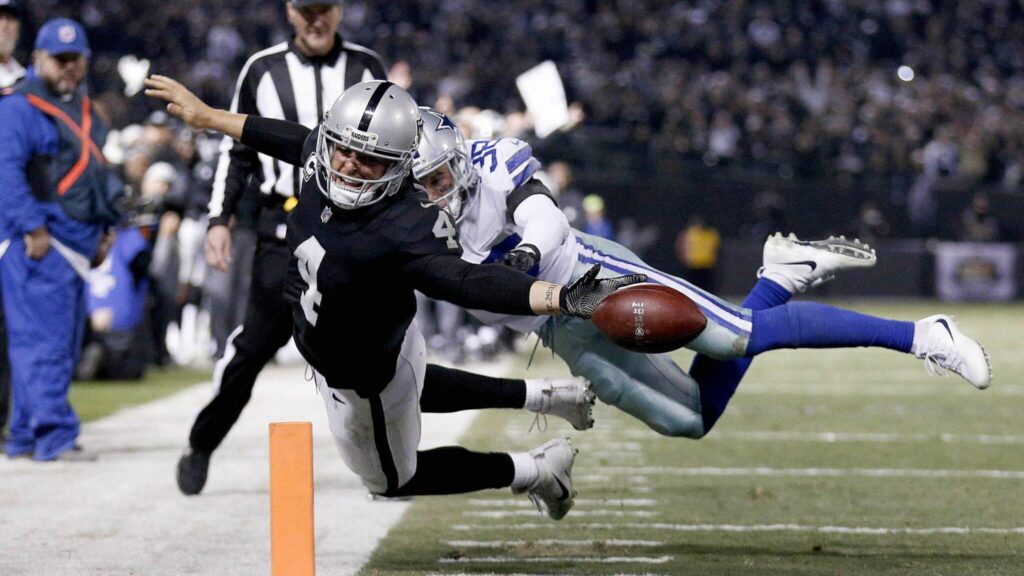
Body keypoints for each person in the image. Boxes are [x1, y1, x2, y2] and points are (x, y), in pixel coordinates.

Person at [145, 76, 643, 519]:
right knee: (416, 388)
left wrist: (563, 297)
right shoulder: (322, 156)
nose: (349, 164)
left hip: (367, 376)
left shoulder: (405, 225)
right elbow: (292, 138)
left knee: (390, 482)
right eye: (343, 149)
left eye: (369, 159)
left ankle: (536, 470)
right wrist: (209, 117)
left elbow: (466, 281)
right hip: (369, 343)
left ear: (399, 165)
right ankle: (546, 397)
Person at [411, 108, 993, 440]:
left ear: (459, 159)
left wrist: (524, 257)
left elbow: (542, 214)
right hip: (554, 327)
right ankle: (779, 280)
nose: (434, 194)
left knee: (736, 336)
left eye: (439, 178)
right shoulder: (407, 224)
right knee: (688, 419)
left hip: (587, 277)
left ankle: (924, 335)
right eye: (421, 185)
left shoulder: (492, 164)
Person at [175, 0, 391, 495]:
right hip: (283, 231)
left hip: (352, 231)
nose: (315, 20)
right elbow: (237, 149)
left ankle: (388, 460)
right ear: (290, 11)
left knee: (371, 349)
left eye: (323, 8)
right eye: (305, 9)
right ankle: (202, 443)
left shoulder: (366, 67)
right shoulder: (262, 68)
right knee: (251, 348)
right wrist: (219, 219)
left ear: (339, 10)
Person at [0, 19, 122, 461]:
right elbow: (6, 173)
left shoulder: (84, 108)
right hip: (42, 243)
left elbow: (98, 176)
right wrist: (32, 227)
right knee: (45, 347)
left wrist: (106, 229)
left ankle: (24, 435)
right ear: (38, 58)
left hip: (74, 243)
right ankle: (54, 435)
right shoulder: (18, 107)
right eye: (60, 58)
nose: (69, 66)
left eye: (76, 59)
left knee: (51, 345)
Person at [0, 0, 24, 443]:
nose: (3, 25)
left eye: (9, 17)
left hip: (19, 226)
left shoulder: (30, 83)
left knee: (13, 332)